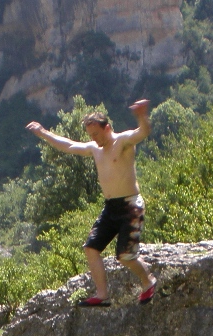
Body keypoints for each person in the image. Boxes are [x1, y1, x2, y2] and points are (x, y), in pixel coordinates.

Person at [26, 100, 157, 307]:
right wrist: (43, 132)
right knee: (91, 247)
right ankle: (102, 294)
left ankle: (148, 281)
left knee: (125, 256)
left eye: (96, 134)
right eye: (90, 136)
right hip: (110, 207)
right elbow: (68, 145)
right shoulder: (95, 149)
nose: (94, 140)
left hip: (131, 205)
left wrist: (142, 115)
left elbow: (143, 132)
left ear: (108, 128)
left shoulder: (123, 141)